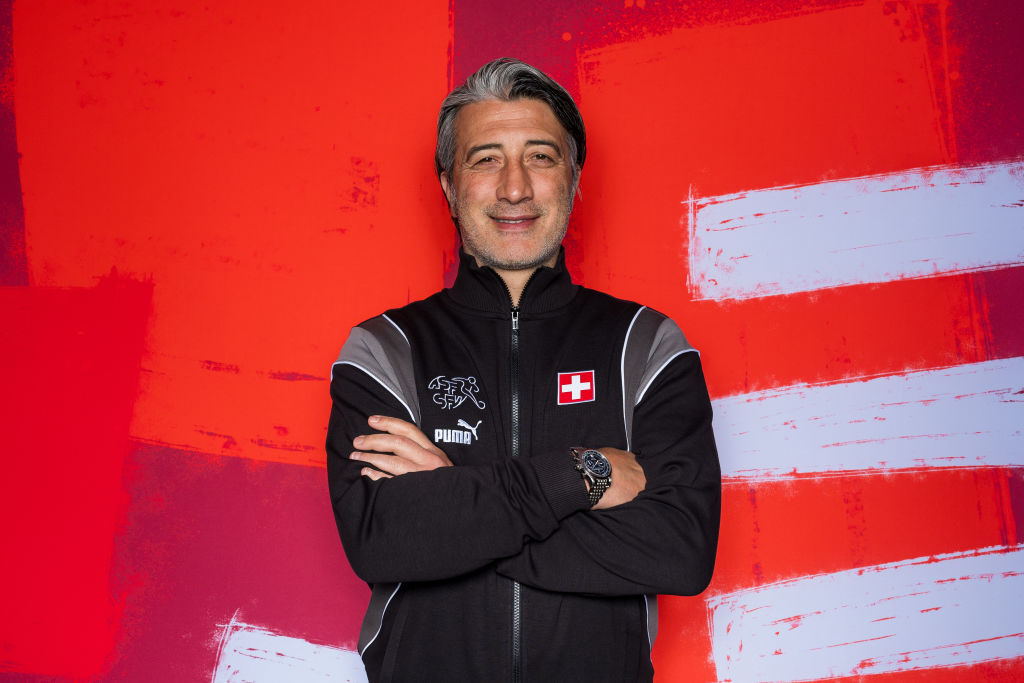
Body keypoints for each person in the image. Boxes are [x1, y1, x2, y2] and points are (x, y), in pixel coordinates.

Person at [326, 57, 721, 682]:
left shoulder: (646, 344)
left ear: (575, 177)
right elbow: (385, 538)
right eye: (485, 159)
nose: (515, 188)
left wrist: (458, 499)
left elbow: (680, 551)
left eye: (541, 156)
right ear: (450, 186)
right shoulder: (384, 348)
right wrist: (578, 475)